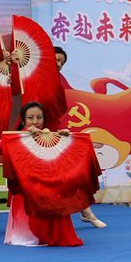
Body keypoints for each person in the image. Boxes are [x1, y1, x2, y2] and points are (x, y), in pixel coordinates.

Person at [1, 102, 93, 247]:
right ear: (23, 121)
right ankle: (32, 234)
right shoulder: (18, 137)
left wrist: (66, 139)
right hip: (26, 187)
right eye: (30, 118)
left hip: (46, 185)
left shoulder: (49, 135)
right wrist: (25, 133)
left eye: (39, 117)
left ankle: (54, 233)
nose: (35, 121)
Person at [53, 45, 106, 228]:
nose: (58, 64)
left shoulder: (60, 81)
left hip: (55, 133)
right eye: (56, 59)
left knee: (70, 173)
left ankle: (86, 211)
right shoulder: (34, 77)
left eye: (61, 62)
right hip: (34, 132)